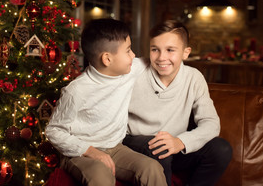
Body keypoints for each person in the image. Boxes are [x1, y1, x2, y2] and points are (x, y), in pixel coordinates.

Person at [45, 19, 167, 186]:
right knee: (100, 175)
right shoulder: (76, 91)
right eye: (128, 50)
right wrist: (90, 151)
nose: (133, 55)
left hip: (115, 148)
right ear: (107, 59)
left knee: (152, 168)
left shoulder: (128, 71)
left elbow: (155, 61)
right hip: (79, 153)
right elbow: (54, 131)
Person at [124, 20, 232, 186]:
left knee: (221, 149)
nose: (161, 57)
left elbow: (211, 123)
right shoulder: (134, 69)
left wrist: (180, 142)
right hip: (135, 142)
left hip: (173, 146)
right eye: (155, 50)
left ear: (185, 52)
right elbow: (100, 76)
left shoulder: (193, 77)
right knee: (161, 148)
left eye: (170, 50)